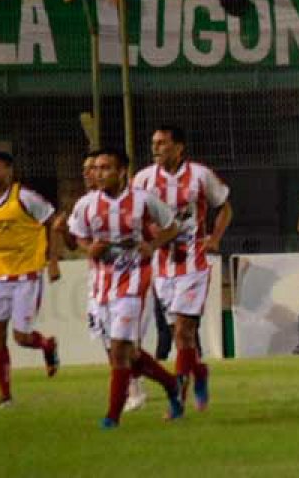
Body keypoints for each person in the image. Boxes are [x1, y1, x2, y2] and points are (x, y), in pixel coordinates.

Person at [68, 148, 185, 429]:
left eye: (106, 168)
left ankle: (112, 417)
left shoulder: (144, 201)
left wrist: (153, 245)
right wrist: (88, 248)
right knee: (126, 356)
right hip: (100, 288)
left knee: (120, 349)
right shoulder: (86, 205)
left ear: (122, 172)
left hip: (133, 281)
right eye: (95, 168)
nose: (98, 173)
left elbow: (173, 226)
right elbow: (78, 240)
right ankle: (172, 385)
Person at [132, 126, 233, 411]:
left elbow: (225, 208)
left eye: (162, 143)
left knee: (183, 332)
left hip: (194, 264)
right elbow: (134, 215)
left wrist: (214, 238)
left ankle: (177, 397)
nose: (156, 148)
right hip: (162, 267)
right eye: (153, 143)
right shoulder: (143, 179)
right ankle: (199, 372)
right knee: (180, 333)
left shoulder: (200, 175)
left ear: (179, 148)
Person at [0, 150, 61, 408]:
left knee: (21, 337)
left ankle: (47, 345)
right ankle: (5, 395)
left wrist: (52, 261)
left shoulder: (25, 198)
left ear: (9, 170)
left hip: (26, 276)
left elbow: (53, 222)